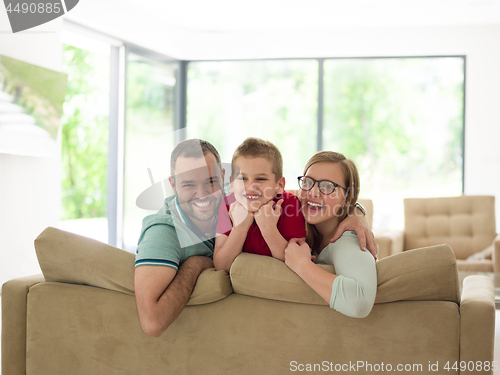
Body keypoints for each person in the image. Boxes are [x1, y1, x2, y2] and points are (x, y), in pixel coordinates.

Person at [134, 139, 225, 337]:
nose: (202, 194)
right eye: (189, 184)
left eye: (211, 181)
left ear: (223, 177)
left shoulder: (232, 205)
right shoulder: (162, 233)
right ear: (173, 185)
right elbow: (152, 322)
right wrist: (196, 264)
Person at [284, 151, 377, 318]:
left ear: (347, 197)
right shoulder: (296, 216)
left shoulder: (348, 241)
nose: (312, 192)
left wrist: (301, 265)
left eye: (327, 186)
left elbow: (360, 303)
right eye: (308, 182)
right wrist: (358, 211)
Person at [213, 138, 306, 272]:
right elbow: (221, 265)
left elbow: (298, 264)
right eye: (242, 178)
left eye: (260, 179)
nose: (250, 187)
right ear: (232, 184)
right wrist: (240, 228)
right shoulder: (227, 205)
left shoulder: (290, 204)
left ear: (279, 185)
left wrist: (268, 228)